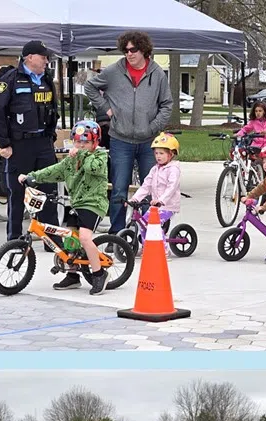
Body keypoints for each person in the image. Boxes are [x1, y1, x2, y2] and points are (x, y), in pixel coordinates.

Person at [82, 30, 174, 233]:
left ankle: (146, 233)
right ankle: (117, 234)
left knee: (150, 190)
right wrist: (105, 108)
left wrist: (153, 127)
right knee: (118, 190)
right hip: (120, 140)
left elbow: (167, 104)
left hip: (148, 142)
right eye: (125, 50)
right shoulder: (114, 71)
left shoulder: (157, 73)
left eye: (133, 50)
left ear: (144, 50)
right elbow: (89, 86)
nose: (129, 54)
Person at [20, 120, 111, 295]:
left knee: (84, 238)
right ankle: (73, 275)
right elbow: (54, 171)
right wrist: (31, 176)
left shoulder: (100, 157)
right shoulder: (70, 161)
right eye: (78, 142)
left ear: (95, 143)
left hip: (93, 203)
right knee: (70, 238)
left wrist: (80, 154)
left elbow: (91, 168)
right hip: (76, 202)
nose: (81, 145)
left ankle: (100, 274)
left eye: (86, 142)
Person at [0, 41, 61, 242]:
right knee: (17, 193)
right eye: (43, 57)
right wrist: (4, 143)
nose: (47, 61)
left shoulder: (46, 79)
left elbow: (53, 109)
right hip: (19, 145)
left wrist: (51, 135)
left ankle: (52, 239)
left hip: (43, 143)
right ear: (29, 57)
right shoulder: (10, 80)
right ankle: (15, 238)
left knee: (48, 191)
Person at [128, 132, 183, 258]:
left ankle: (163, 250)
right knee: (142, 223)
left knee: (154, 224)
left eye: (162, 153)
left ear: (171, 154)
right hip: (156, 206)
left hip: (168, 205)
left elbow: (172, 187)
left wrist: (161, 200)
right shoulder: (155, 169)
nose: (158, 156)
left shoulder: (173, 169)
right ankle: (146, 247)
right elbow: (146, 185)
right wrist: (135, 198)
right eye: (156, 153)